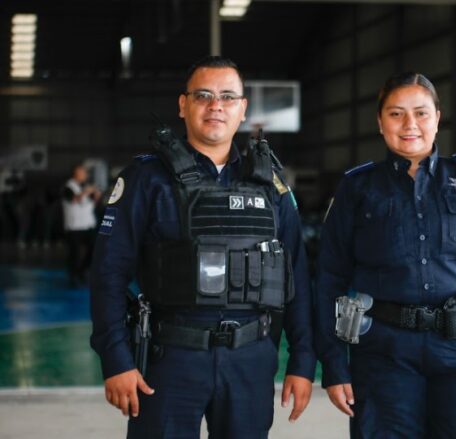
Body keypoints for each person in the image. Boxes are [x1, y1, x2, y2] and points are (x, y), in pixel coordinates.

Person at [90, 56, 315, 438]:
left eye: (228, 97)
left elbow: (297, 276)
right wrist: (116, 360)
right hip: (169, 360)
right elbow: (108, 274)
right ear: (183, 104)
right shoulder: (146, 180)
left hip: (250, 359)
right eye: (204, 95)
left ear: (243, 109)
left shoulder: (270, 184)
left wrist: (303, 360)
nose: (216, 106)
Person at [314, 72, 456, 438]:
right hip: (384, 355)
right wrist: (334, 363)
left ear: (437, 118)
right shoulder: (358, 188)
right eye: (396, 114)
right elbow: (328, 276)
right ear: (380, 123)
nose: (409, 124)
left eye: (421, 113)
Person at [62, 163, 101, 286]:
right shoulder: (68, 187)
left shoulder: (84, 187)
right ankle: (73, 277)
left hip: (87, 224)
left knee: (95, 249)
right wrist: (86, 191)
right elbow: (74, 199)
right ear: (76, 173)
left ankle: (83, 270)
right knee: (74, 253)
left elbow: (89, 205)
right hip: (74, 226)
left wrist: (96, 196)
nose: (85, 174)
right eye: (83, 172)